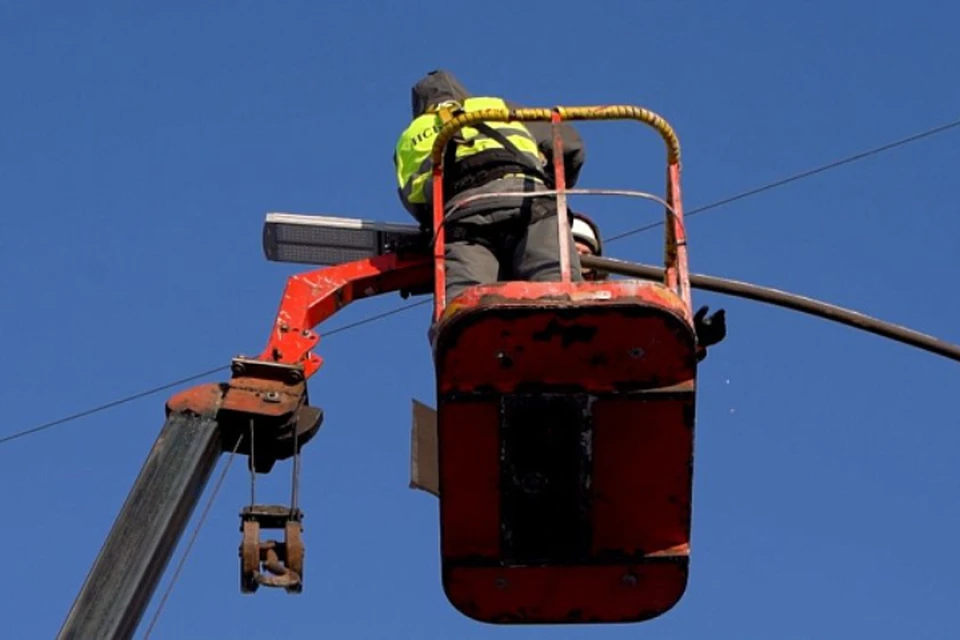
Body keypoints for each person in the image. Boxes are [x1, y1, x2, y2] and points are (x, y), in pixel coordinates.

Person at [394, 69, 585, 304]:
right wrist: (551, 184)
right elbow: (569, 143)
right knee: (556, 283)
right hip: (529, 201)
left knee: (467, 306)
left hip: (463, 218)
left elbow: (416, 202)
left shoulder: (408, 138)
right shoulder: (493, 106)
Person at [569, 210, 727, 361]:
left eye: (587, 255)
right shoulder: (544, 288)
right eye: (575, 251)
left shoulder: (607, 306)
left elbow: (647, 349)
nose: (580, 259)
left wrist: (696, 341)